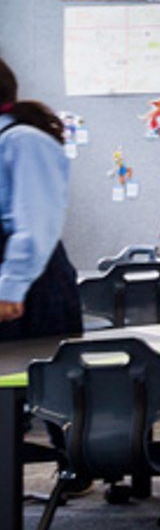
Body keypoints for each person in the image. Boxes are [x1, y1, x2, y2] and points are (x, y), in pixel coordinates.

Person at [0, 58, 81, 347]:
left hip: (29, 291)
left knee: (32, 386)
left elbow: (36, 224)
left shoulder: (23, 141)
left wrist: (11, 289)